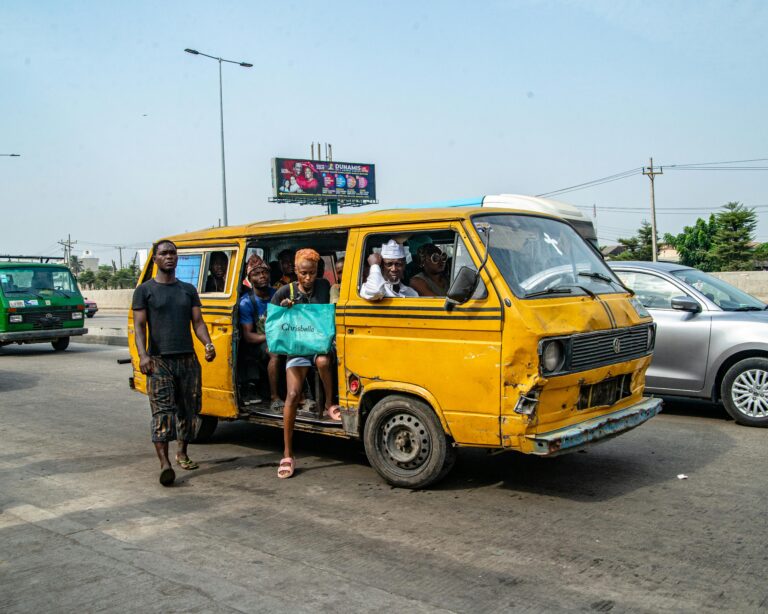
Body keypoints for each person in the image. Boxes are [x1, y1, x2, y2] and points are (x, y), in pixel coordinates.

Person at [132, 240, 216, 487]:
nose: (169, 257)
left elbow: (198, 322)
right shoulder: (145, 291)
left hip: (188, 359)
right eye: (164, 253)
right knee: (162, 413)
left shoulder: (188, 290)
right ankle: (165, 464)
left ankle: (182, 453)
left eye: (173, 253)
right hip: (159, 361)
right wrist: (143, 355)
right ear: (155, 259)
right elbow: (139, 325)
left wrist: (208, 344)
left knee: (189, 410)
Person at [270, 248, 341, 479]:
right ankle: (287, 453)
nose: (308, 278)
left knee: (322, 361)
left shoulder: (324, 287)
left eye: (311, 273)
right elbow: (270, 320)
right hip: (298, 349)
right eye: (303, 273)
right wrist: (283, 307)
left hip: (319, 346)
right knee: (291, 395)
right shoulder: (285, 290)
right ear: (295, 271)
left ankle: (330, 403)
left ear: (317, 272)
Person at [239, 255, 281, 409]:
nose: (262, 276)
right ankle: (274, 397)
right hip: (260, 342)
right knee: (274, 353)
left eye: (265, 272)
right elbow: (249, 336)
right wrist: (271, 337)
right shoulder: (246, 302)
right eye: (256, 274)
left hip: (280, 337)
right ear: (250, 278)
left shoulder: (277, 294)